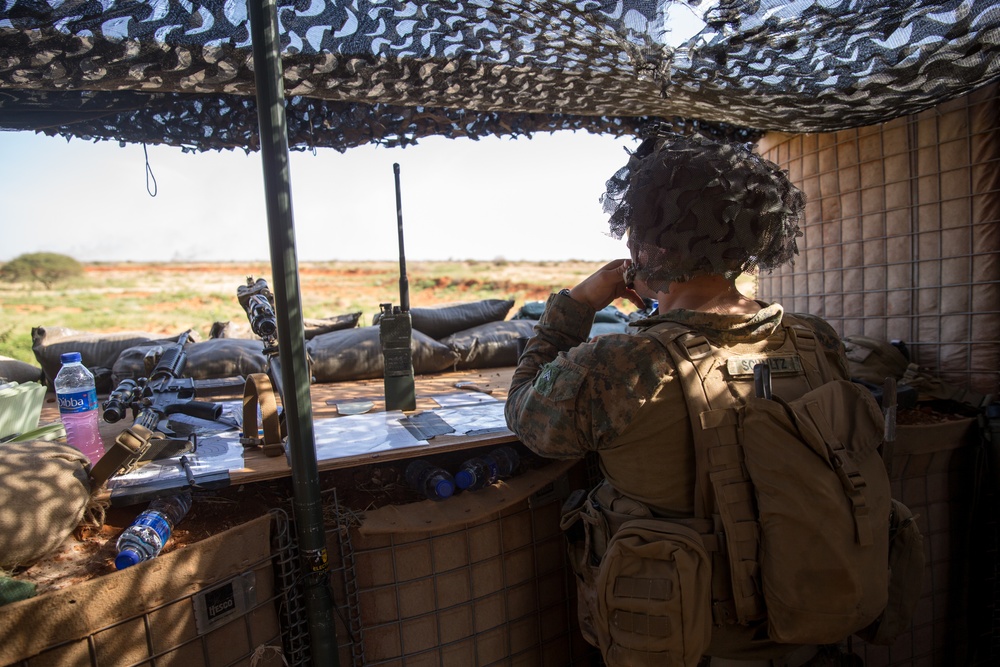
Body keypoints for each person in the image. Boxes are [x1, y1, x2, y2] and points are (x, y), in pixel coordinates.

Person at [504, 133, 860, 667]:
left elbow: (525, 415)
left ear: (649, 246)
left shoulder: (623, 363)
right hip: (812, 633)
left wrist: (576, 304)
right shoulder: (815, 341)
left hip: (687, 646)